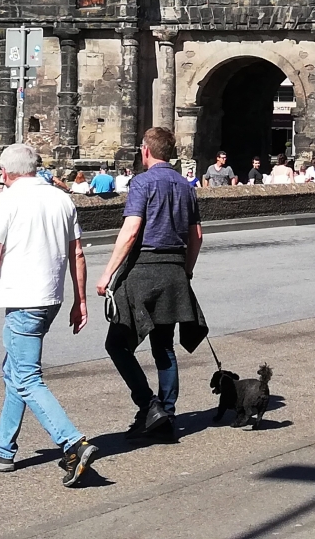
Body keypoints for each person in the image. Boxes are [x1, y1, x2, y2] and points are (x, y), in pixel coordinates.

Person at [0, 143, 98, 487]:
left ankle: (72, 443)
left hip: (23, 299)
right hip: (50, 298)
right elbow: (77, 253)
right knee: (14, 371)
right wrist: (80, 300)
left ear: (5, 173)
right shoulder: (60, 198)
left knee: (27, 377)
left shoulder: (7, 200)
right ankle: (3, 449)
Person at [96, 127, 206, 441]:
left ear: (146, 150)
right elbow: (196, 237)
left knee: (117, 344)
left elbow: (131, 232)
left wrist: (107, 274)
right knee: (164, 348)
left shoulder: (142, 183)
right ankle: (166, 416)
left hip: (143, 270)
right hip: (174, 269)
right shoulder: (186, 186)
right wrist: (185, 271)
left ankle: (148, 406)